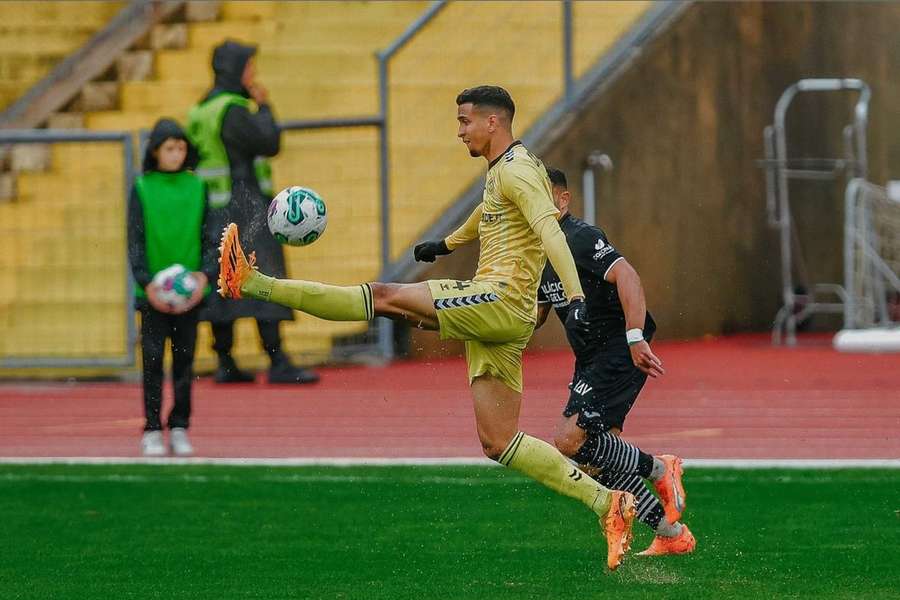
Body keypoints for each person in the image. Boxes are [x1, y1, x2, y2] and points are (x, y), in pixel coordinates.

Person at [218, 85, 638, 570]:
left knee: (384, 297)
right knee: (499, 441)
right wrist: (446, 243)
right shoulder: (509, 168)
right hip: (505, 317)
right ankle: (609, 504)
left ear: (492, 123)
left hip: (499, 299)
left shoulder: (519, 170)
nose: (459, 132)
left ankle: (252, 282)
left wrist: (578, 296)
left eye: (464, 122)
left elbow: (547, 227)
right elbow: (491, 214)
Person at [535, 167, 695, 556]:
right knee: (595, 457)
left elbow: (628, 276)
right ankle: (672, 535)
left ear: (563, 200)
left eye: (543, 199)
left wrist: (635, 336)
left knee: (569, 441)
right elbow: (533, 318)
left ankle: (661, 467)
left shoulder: (579, 237)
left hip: (615, 349)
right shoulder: (538, 253)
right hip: (589, 358)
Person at [187, 39, 318, 385]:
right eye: (248, 66)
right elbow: (268, 143)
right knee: (264, 278)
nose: (253, 73)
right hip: (246, 204)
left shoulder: (201, 109)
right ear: (234, 70)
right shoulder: (234, 109)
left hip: (214, 207)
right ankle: (277, 361)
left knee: (224, 281)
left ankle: (225, 361)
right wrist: (265, 107)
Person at [128, 118, 216, 456]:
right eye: (169, 148)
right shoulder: (142, 188)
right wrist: (146, 282)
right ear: (155, 152)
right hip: (152, 295)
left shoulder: (198, 188)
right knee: (152, 362)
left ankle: (179, 425)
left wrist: (204, 276)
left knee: (185, 363)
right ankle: (152, 428)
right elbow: (134, 239)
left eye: (181, 147)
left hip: (190, 294)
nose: (176, 154)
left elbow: (210, 237)